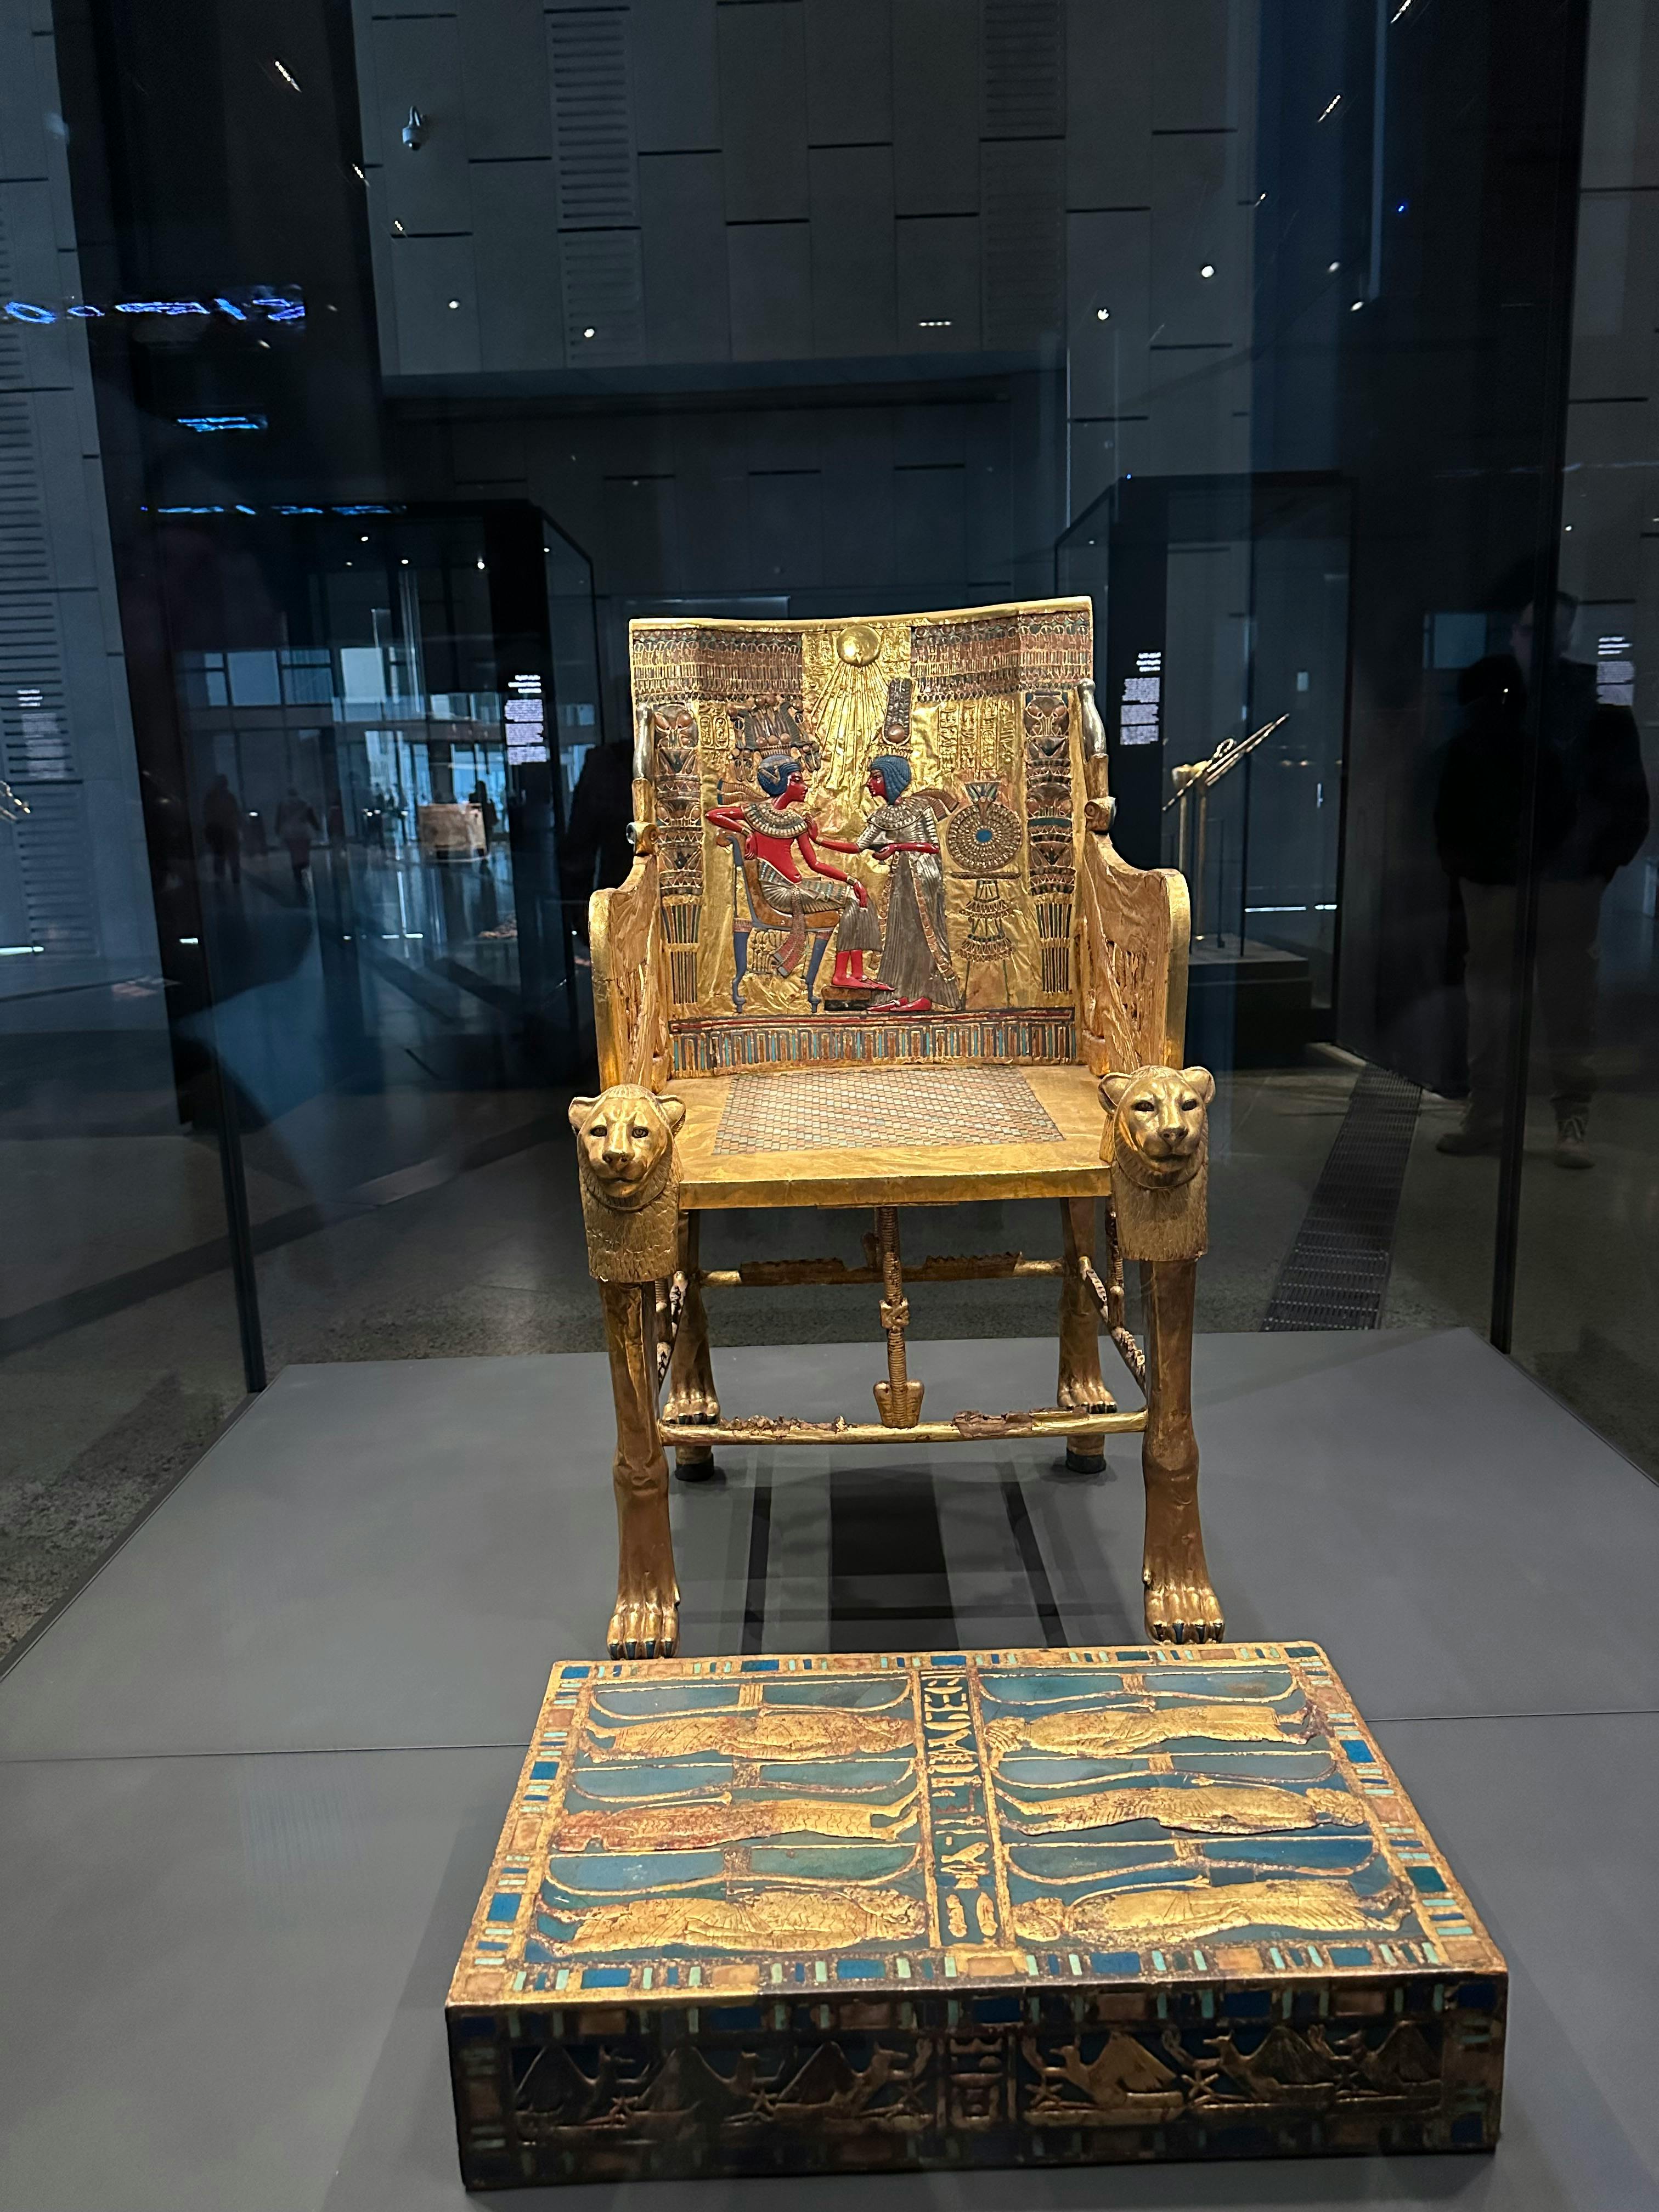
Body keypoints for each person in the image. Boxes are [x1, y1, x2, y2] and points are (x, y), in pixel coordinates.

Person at [1435, 603, 1650, 1167]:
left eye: (1548, 631)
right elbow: (1456, 782)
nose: (1539, 642)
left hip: (1559, 878)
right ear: (1517, 635)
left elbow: (1625, 793)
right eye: (1532, 631)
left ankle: (1564, 1117)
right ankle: (1494, 1114)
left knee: (1566, 1002)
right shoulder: (1495, 696)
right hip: (1503, 878)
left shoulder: (1589, 704)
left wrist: (1597, 867)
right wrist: (1465, 862)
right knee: (1496, 1006)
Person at [705, 753, 881, 990]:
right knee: (855, 899)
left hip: (796, 887)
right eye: (797, 780)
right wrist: (746, 832)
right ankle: (843, 975)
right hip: (779, 893)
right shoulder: (755, 811)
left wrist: (852, 880)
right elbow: (713, 814)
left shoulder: (794, 821)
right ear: (780, 782)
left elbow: (815, 864)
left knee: (857, 897)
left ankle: (857, 974)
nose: (804, 786)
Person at [819, 754, 962, 1013]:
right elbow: (858, 846)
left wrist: (897, 846)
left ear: (892, 779)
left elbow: (932, 846)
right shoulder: (882, 815)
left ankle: (925, 996)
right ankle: (900, 994)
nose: (869, 783)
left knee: (922, 935)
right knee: (899, 935)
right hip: (902, 877)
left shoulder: (921, 807)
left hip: (924, 875)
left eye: (876, 777)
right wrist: (818, 840)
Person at [274, 786, 320, 896]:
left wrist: (278, 830)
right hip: (304, 831)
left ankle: (297, 871)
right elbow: (311, 817)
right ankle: (304, 866)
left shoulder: (283, 804)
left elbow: (279, 818)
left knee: (294, 853)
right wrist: (317, 827)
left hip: (290, 831)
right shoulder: (304, 803)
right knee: (304, 852)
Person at [201, 772, 242, 885]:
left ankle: (229, 878)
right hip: (221, 831)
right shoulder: (216, 798)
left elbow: (235, 813)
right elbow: (208, 815)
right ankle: (225, 879)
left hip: (226, 831)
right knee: (222, 856)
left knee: (225, 856)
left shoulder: (226, 797)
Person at [468, 777, 499, 847]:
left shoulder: (475, 797)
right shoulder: (478, 797)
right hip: (482, 822)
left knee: (483, 841)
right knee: (484, 842)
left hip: (483, 822)